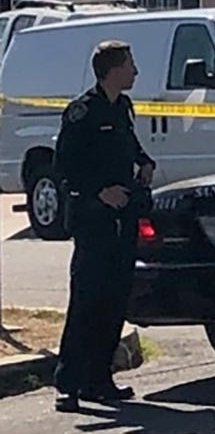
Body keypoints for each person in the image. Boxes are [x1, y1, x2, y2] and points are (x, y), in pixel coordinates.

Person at [52, 40, 156, 413]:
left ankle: (100, 378)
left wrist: (144, 162)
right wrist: (98, 192)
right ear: (112, 69)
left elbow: (129, 146)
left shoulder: (123, 107)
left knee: (114, 300)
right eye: (130, 65)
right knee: (87, 300)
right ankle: (69, 382)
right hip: (93, 219)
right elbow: (65, 165)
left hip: (123, 218)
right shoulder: (82, 111)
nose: (136, 72)